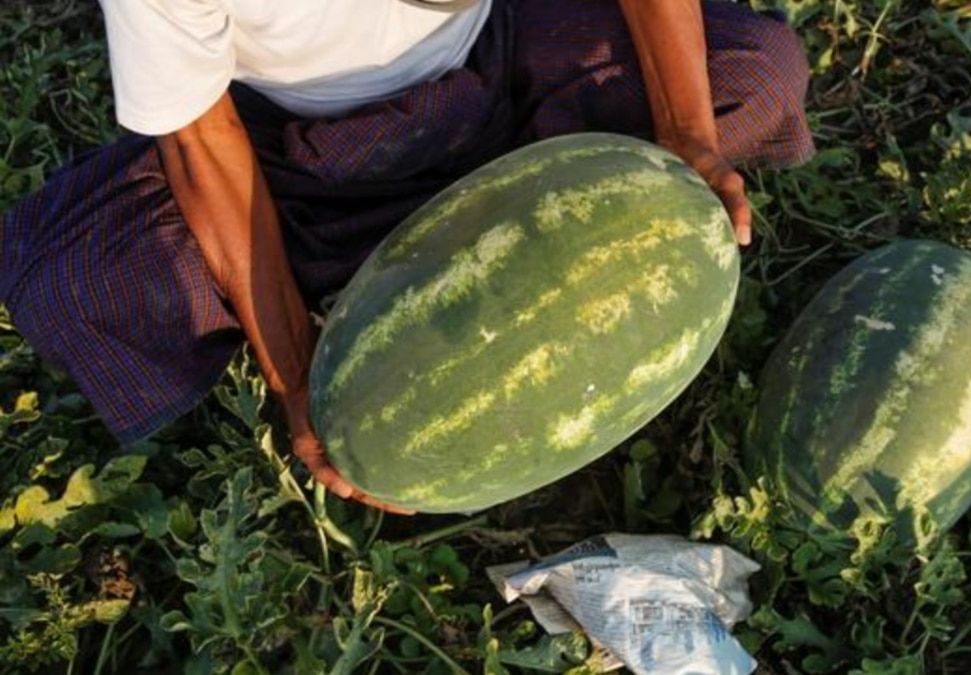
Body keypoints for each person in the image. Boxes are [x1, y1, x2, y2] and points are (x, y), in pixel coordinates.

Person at [0, 0, 814, 513]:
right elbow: (202, 142)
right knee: (71, 282)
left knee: (758, 71)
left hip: (501, 63)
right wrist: (296, 381)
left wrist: (688, 140)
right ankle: (403, 240)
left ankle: (429, 229)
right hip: (294, 150)